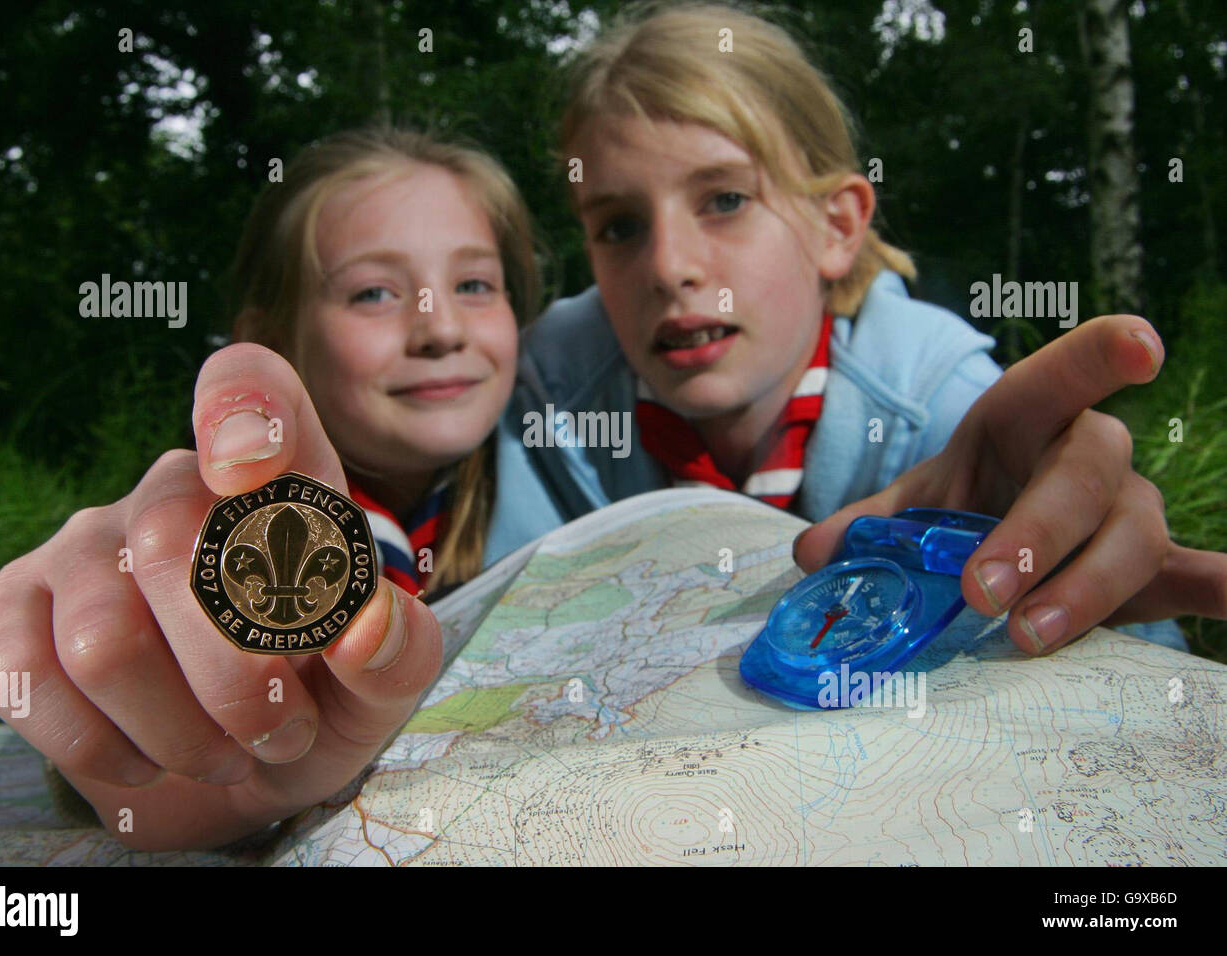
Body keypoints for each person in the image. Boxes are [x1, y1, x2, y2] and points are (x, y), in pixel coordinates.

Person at [492, 1, 1227, 655]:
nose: (668, 266)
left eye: (724, 200)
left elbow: (1125, 630)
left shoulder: (949, 412)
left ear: (835, 226)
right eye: (619, 225)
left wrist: (1088, 575)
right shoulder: (546, 394)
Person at [0, 127, 541, 851]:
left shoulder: (565, 467)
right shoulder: (230, 520)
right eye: (372, 292)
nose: (440, 327)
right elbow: (128, 687)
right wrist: (146, 731)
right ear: (272, 338)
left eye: (474, 284)